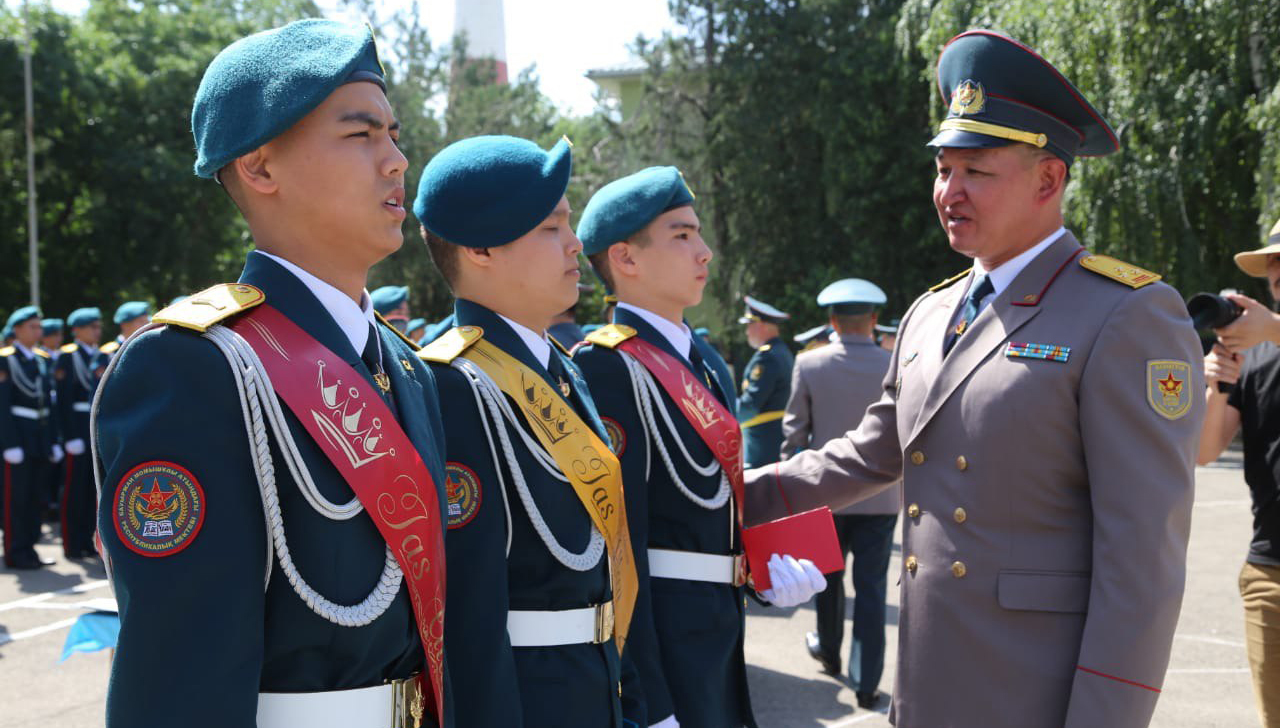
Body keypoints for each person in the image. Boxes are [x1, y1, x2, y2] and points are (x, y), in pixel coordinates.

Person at [742, 30, 1204, 728]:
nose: (948, 192)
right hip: (930, 688)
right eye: (943, 170)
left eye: (976, 172)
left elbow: (1141, 566)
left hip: (1031, 696)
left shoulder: (1125, 314)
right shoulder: (931, 313)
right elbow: (874, 450)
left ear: (1049, 179)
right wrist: (733, 496)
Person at [93, 20, 452, 728]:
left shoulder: (406, 365)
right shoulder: (192, 367)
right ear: (260, 169)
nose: (396, 161)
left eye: (394, 133)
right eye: (361, 135)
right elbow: (176, 685)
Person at [573, 166, 825, 728]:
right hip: (666, 648)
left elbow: (715, 502)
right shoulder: (607, 365)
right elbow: (622, 548)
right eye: (682, 236)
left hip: (721, 634)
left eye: (699, 233)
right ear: (626, 259)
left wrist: (760, 575)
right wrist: (651, 701)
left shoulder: (707, 364)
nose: (705, 252)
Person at [413, 134, 641, 728]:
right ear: (481, 248)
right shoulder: (454, 384)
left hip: (594, 684)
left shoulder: (561, 368)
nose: (575, 244)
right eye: (551, 227)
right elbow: (468, 615)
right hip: (529, 698)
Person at [782, 278, 900, 709]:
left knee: (826, 578)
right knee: (870, 588)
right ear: (873, 320)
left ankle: (829, 652)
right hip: (882, 496)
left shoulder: (809, 365)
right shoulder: (897, 363)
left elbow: (793, 434)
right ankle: (867, 681)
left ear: (831, 320)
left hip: (824, 494)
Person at [1197, 218, 1280, 728]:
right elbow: (1205, 451)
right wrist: (1217, 385)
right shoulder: (1256, 353)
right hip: (1270, 574)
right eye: (1275, 266)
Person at [1, 306, 59, 569]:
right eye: (33, 327)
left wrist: (52, 441)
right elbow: (2, 406)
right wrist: (10, 443)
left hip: (39, 438)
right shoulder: (5, 359)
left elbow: (47, 405)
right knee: (17, 498)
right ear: (17, 330)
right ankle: (15, 551)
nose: (39, 331)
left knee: (36, 497)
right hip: (19, 438)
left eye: (39, 326)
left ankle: (31, 549)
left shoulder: (41, 359)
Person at [54, 307, 106, 560]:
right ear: (78, 330)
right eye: (92, 327)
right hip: (76, 428)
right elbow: (62, 401)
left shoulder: (98, 354)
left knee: (89, 490)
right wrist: (68, 435)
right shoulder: (68, 356)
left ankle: (86, 539)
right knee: (73, 490)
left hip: (91, 428)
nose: (97, 331)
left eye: (97, 326)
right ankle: (70, 542)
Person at [737, 296, 794, 469]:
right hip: (773, 440)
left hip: (763, 445)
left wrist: (723, 418)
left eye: (748, 325)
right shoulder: (781, 352)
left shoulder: (767, 357)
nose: (747, 332)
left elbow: (752, 404)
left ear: (760, 325)